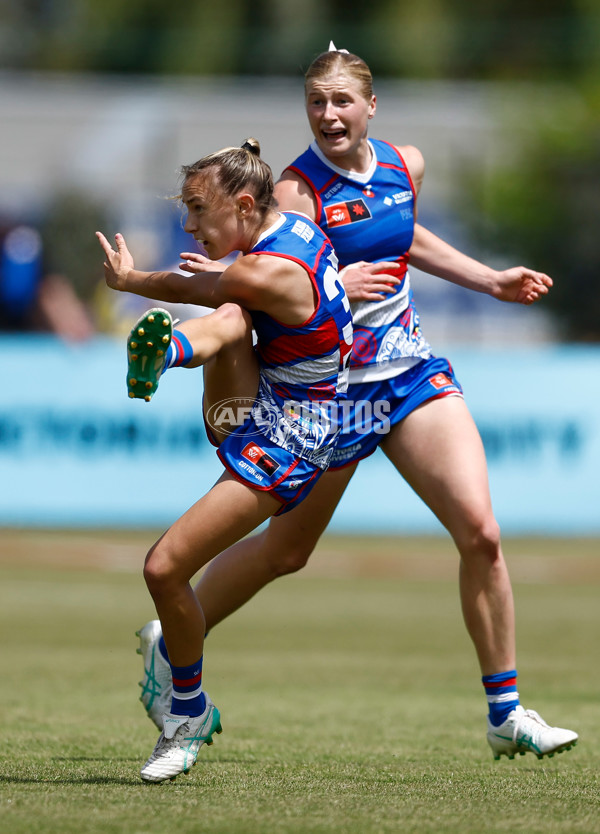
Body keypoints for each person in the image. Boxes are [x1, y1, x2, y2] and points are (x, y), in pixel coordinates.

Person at [134, 46, 578, 762]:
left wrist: (488, 280)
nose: (329, 114)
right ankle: (174, 640)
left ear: (371, 106)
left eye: (342, 100)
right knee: (286, 553)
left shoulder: (406, 165)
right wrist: (334, 279)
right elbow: (266, 276)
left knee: (482, 532)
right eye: (317, 101)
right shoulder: (294, 191)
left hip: (410, 375)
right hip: (334, 394)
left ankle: (506, 712)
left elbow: (403, 234)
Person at [96, 137, 353, 783]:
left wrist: (129, 281)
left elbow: (184, 284)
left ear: (242, 205)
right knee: (233, 315)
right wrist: (234, 156)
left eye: (196, 209)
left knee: (164, 567)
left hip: (292, 434)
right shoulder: (287, 219)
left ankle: (188, 715)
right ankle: (166, 354)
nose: (188, 225)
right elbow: (219, 268)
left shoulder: (261, 272)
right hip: (263, 402)